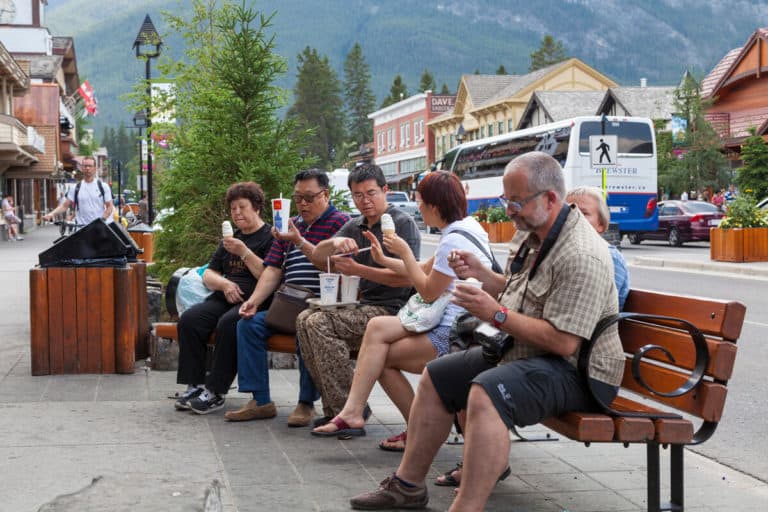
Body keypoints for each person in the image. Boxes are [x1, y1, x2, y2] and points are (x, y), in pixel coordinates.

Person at [348, 152, 624, 511]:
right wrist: (483, 273)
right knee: (437, 375)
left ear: (550, 199)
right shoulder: (536, 233)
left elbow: (563, 341)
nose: (507, 209)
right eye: (504, 199)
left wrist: (495, 314)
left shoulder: (581, 254)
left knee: (485, 392)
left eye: (515, 201)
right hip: (529, 352)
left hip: (581, 371)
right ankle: (407, 487)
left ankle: (466, 506)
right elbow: (514, 289)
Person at [311, 171, 494, 445]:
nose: (418, 208)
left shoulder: (452, 240)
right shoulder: (464, 228)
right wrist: (383, 258)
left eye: (420, 202)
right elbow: (422, 270)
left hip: (454, 332)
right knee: (376, 330)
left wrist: (404, 253)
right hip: (445, 318)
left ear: (434, 206)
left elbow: (427, 289)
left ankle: (418, 431)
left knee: (381, 359)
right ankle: (353, 411)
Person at [294, 164, 421, 446]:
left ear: (385, 191)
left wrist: (359, 271)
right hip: (363, 308)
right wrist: (336, 241)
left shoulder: (401, 223)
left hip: (394, 311)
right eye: (357, 195)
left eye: (371, 193)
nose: (365, 201)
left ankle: (347, 411)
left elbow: (407, 278)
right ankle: (340, 409)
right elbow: (317, 256)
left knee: (318, 322)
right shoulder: (356, 224)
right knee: (304, 319)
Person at [225, 169, 350, 426]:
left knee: (307, 325)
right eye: (298, 197)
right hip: (288, 302)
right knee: (247, 324)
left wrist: (300, 240)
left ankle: (306, 403)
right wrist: (255, 301)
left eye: (309, 197)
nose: (302, 203)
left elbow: (340, 267)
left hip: (322, 304)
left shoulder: (342, 223)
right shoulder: (288, 225)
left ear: (325, 195)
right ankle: (260, 400)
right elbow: (273, 269)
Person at [174, 182, 275, 414]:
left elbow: (268, 275)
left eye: (242, 207)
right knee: (190, 319)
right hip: (224, 297)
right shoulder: (229, 240)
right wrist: (225, 283)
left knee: (229, 323)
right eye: (233, 209)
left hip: (255, 300)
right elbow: (208, 274)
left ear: (257, 208)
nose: (237, 213)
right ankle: (195, 385)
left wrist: (244, 252)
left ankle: (215, 391)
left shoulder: (269, 237)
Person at [566, 186, 630, 310]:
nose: (573, 217)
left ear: (601, 224)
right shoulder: (564, 250)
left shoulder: (610, 258)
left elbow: (593, 312)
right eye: (569, 211)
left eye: (583, 213)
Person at [43, 156, 114, 227]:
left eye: (90, 166)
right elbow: (64, 206)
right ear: (82, 168)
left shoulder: (103, 186)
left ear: (95, 168)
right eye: (85, 166)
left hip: (98, 228)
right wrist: (51, 214)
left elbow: (109, 206)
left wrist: (102, 220)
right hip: (81, 229)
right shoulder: (75, 188)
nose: (87, 168)